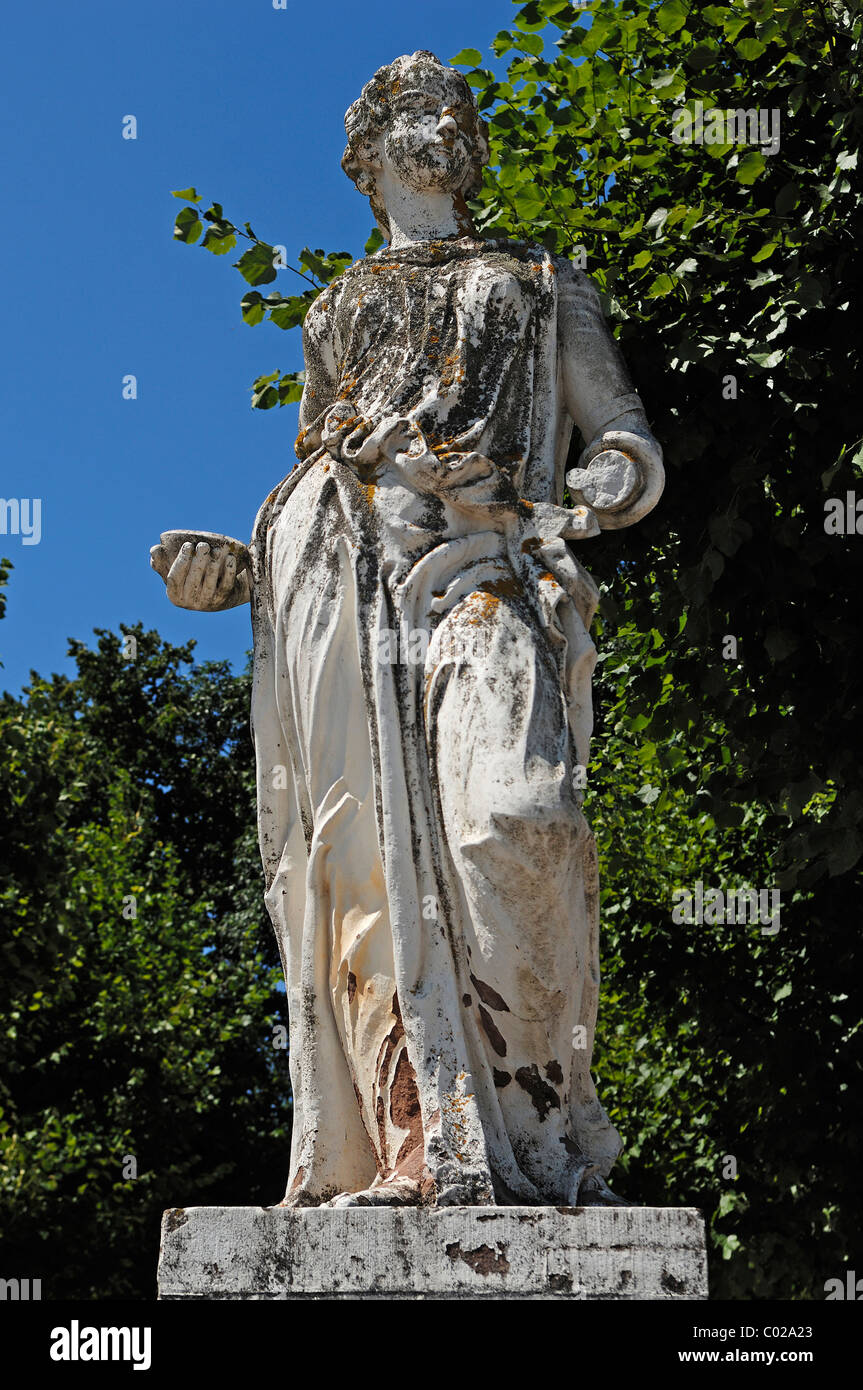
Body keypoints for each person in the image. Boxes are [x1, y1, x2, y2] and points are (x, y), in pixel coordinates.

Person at [151, 50, 664, 1209]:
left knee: (516, 819)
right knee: (360, 869)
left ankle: (532, 1128)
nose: (440, 123)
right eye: (412, 111)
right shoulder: (337, 311)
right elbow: (313, 478)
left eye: (453, 109)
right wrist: (242, 574)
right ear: (367, 151)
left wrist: (617, 478)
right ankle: (419, 1143)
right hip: (342, 596)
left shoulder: (536, 279)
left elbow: (619, 429)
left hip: (486, 579)